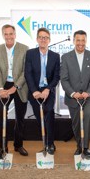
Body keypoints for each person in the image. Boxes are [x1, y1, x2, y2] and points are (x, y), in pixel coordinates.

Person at [60, 30, 90, 158]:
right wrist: (72, 93)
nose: (80, 43)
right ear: (73, 41)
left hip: (88, 96)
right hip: (73, 97)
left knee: (87, 115)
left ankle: (85, 147)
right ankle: (79, 145)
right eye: (78, 40)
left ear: (86, 41)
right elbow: (64, 79)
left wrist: (88, 92)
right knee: (76, 122)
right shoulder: (65, 57)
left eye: (83, 40)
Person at [0, 24, 29, 156]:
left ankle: (18, 145)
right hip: (4, 85)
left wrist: (16, 86)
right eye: (5, 34)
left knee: (20, 117)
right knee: (0, 114)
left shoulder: (24, 49)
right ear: (3, 35)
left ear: (15, 34)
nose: (8, 36)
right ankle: (2, 147)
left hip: (20, 86)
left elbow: (26, 71)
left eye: (10, 34)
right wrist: (0, 89)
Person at [25, 27, 60, 155]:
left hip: (48, 90)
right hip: (34, 91)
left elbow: (56, 76)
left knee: (49, 113)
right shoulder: (30, 54)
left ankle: (50, 144)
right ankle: (45, 142)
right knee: (39, 117)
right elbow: (27, 73)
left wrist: (47, 89)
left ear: (49, 40)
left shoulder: (55, 56)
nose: (43, 39)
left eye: (45, 37)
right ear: (37, 39)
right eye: (41, 37)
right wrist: (34, 91)